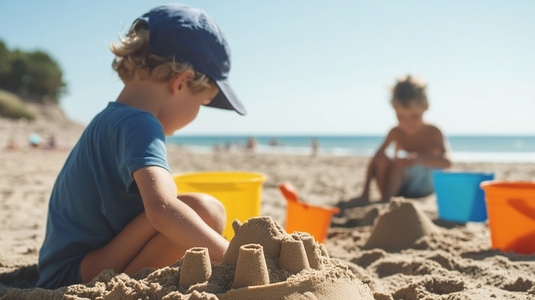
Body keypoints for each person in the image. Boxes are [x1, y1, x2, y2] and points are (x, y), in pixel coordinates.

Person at [37, 4, 246, 289]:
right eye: (203, 103)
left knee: (196, 209)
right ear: (181, 82)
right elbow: (161, 207)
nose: (198, 112)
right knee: (206, 211)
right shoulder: (140, 123)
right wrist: (236, 262)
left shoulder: (112, 118)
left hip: (66, 266)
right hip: (77, 275)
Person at [359, 75, 451, 202]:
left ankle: (387, 198)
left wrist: (417, 159)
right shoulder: (396, 132)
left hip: (425, 185)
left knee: (400, 164)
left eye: (414, 116)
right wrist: (365, 190)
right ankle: (387, 199)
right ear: (394, 109)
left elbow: (448, 162)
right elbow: (376, 158)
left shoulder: (433, 131)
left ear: (425, 106)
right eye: (401, 117)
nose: (408, 123)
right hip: (401, 186)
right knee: (382, 158)